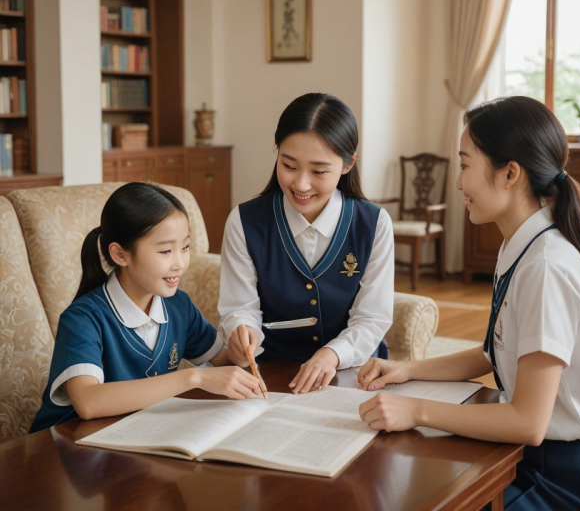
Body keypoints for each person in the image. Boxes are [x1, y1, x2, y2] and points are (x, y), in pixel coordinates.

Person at [357, 96, 580, 510]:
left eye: (465, 165)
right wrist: (405, 370)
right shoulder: (519, 246)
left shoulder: (546, 266)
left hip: (578, 485)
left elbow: (527, 421)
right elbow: (493, 352)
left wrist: (416, 410)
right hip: (544, 463)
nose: (457, 183)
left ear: (509, 173)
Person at [30, 182, 262, 433]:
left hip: (134, 439)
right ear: (120, 255)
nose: (180, 264)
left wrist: (238, 352)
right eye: (165, 251)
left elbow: (222, 360)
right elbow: (88, 402)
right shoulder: (83, 319)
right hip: (67, 450)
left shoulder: (178, 306)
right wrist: (194, 377)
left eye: (185, 247)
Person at [218, 93, 394, 395]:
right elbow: (241, 308)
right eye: (288, 165)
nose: (301, 184)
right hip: (270, 375)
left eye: (319, 171)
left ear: (348, 164)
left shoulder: (374, 223)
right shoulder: (244, 221)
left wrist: (332, 354)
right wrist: (241, 330)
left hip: (355, 374)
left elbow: (372, 318)